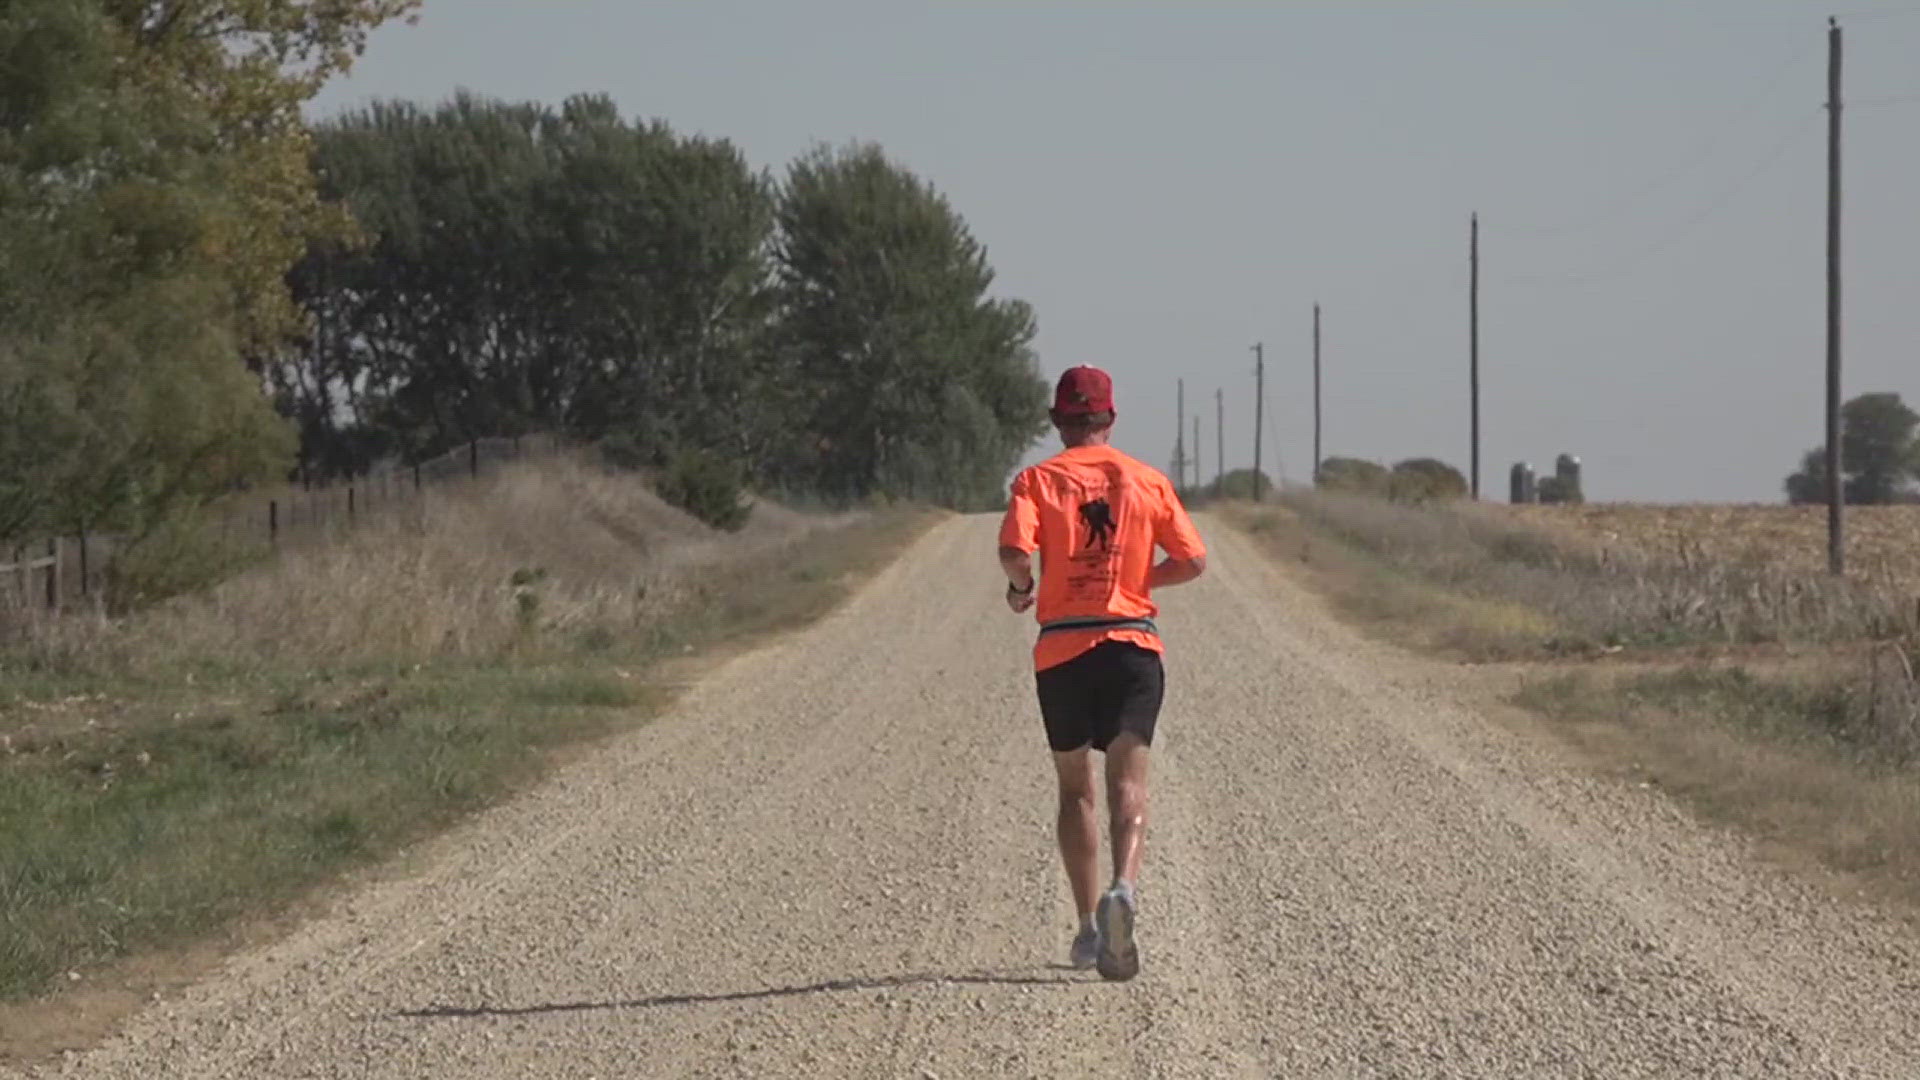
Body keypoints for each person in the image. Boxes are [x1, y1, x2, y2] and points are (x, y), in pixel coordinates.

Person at [996, 365, 1207, 982]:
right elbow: (1192, 560)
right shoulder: (1147, 480)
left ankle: (1089, 928)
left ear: (1059, 422)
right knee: (1128, 781)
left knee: (1075, 789)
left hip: (1063, 648)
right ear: (1110, 420)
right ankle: (1125, 888)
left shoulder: (1036, 480)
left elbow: (1014, 550)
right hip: (1133, 645)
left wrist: (1023, 587)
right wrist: (1140, 580)